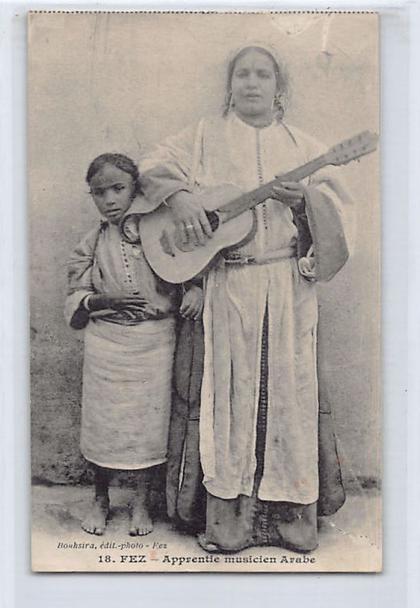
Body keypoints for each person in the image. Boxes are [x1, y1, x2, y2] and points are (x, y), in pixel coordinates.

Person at [121, 44, 351, 552]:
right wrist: (180, 199)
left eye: (262, 74)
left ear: (278, 87)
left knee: (289, 395)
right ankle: (229, 525)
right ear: (230, 85)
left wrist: (307, 202)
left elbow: (336, 211)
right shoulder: (203, 137)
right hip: (228, 285)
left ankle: (291, 521)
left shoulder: (305, 144)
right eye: (242, 74)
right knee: (229, 395)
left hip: (289, 284)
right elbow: (153, 166)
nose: (252, 83)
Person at [64, 153, 199, 536]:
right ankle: (101, 499)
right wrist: (102, 302)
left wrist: (194, 289)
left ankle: (141, 503)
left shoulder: (160, 231)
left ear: (136, 189)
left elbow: (187, 264)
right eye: (98, 193)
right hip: (107, 344)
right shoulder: (92, 242)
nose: (109, 200)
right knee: (104, 424)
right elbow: (76, 292)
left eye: (118, 189)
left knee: (148, 426)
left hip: (154, 342)